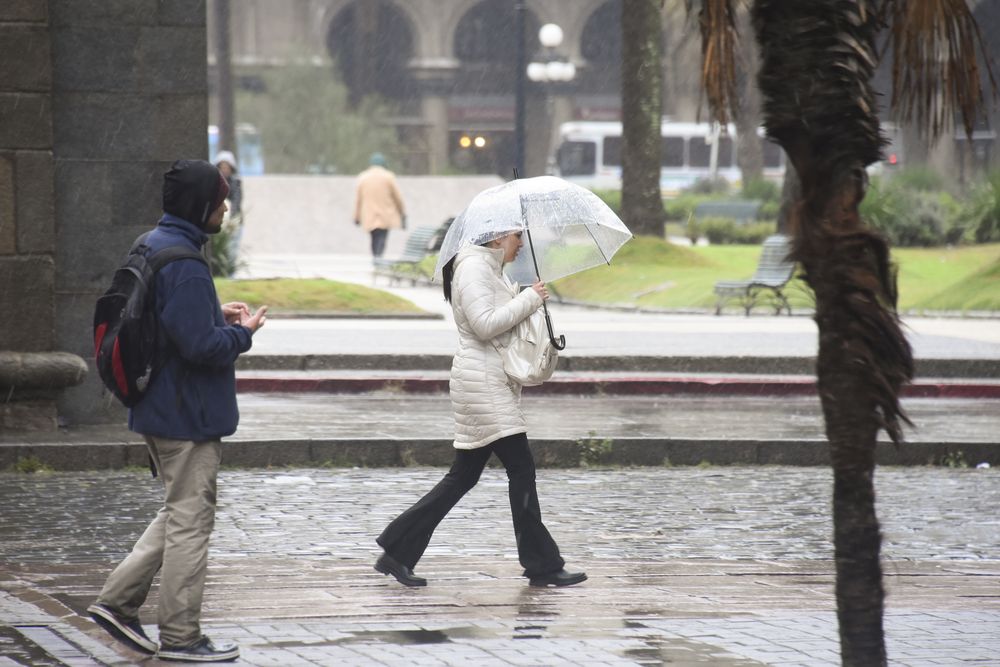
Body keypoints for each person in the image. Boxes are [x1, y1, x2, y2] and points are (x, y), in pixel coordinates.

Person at [87, 160, 267, 663]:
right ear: (200, 205)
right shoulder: (186, 263)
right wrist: (242, 333)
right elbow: (202, 347)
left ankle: (116, 603)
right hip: (186, 415)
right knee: (191, 524)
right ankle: (181, 637)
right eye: (220, 200)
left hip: (157, 406)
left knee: (179, 512)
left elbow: (168, 323)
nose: (225, 208)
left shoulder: (153, 243)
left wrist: (213, 313)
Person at [374, 230, 586, 588]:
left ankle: (397, 550)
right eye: (517, 236)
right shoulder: (473, 267)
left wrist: (524, 297)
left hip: (488, 380)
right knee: (521, 468)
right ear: (499, 236)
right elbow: (484, 325)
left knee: (463, 476)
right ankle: (543, 565)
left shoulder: (489, 267)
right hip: (482, 384)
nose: (521, 243)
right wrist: (529, 299)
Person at [353, 152, 406, 260]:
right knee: (382, 236)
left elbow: (358, 200)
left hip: (369, 214)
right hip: (386, 213)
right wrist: (402, 212)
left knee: (374, 237)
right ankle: (378, 256)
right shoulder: (388, 176)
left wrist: (356, 216)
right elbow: (397, 197)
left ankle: (376, 257)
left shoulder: (363, 177)